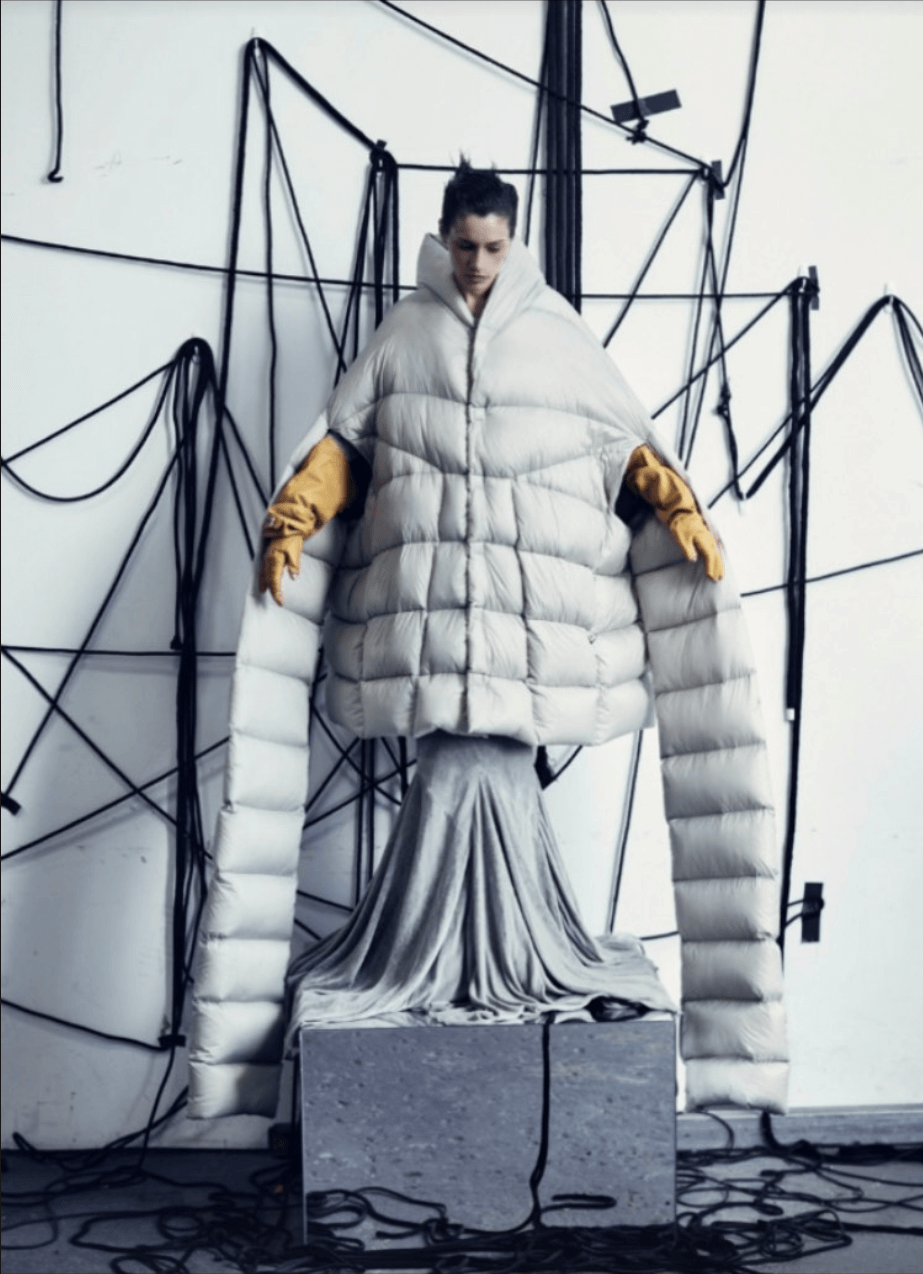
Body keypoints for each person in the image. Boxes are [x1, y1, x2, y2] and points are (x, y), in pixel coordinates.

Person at [187, 164, 788, 1120]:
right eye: (463, 246)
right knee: (443, 784)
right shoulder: (401, 335)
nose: (476, 263)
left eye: (493, 248)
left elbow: (623, 447)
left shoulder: (559, 336)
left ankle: (521, 954)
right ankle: (419, 961)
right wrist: (296, 514)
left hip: (524, 641)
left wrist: (675, 505)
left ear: (514, 240)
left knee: (499, 784)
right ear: (441, 236)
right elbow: (344, 447)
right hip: (427, 637)